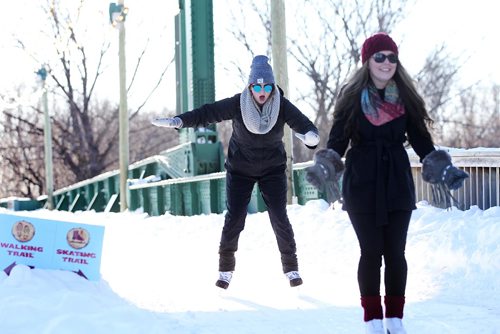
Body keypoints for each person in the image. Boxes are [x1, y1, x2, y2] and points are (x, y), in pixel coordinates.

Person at [306, 33, 468, 334]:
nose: (386, 63)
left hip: (396, 182)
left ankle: (395, 318)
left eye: (392, 57)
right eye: (379, 56)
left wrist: (443, 168)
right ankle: (372, 320)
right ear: (367, 61)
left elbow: (422, 142)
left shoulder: (405, 99)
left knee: (395, 252)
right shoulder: (352, 98)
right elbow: (338, 141)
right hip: (362, 183)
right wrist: (326, 166)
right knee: (371, 252)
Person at [152, 55, 320, 289]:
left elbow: (304, 125)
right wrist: (180, 121)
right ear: (250, 86)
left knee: (279, 216)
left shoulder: (281, 105)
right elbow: (207, 113)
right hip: (240, 169)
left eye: (267, 86)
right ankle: (225, 270)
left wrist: (311, 137)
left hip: (272, 169)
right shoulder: (237, 103)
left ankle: (291, 268)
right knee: (235, 218)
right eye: (257, 86)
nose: (262, 92)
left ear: (272, 87)